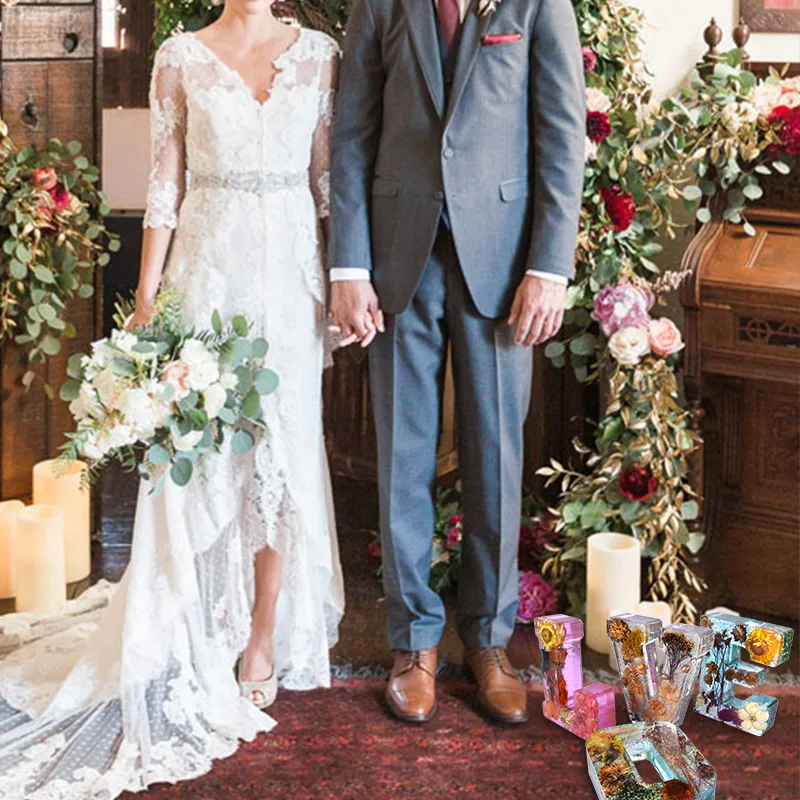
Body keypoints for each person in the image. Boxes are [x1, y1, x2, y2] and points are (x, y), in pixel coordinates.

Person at [0, 1, 344, 796]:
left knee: (283, 456)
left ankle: (261, 634)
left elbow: (328, 184)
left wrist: (342, 284)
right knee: (201, 457)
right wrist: (149, 298)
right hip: (209, 276)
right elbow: (165, 186)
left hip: (292, 283)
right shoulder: (179, 57)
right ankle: (193, 621)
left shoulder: (320, 54)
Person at [328, 0, 585, 724]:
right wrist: (348, 265)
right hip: (397, 258)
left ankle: (490, 643)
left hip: (501, 264)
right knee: (402, 457)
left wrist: (549, 267)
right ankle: (413, 643)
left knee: (497, 459)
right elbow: (353, 132)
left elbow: (562, 134)